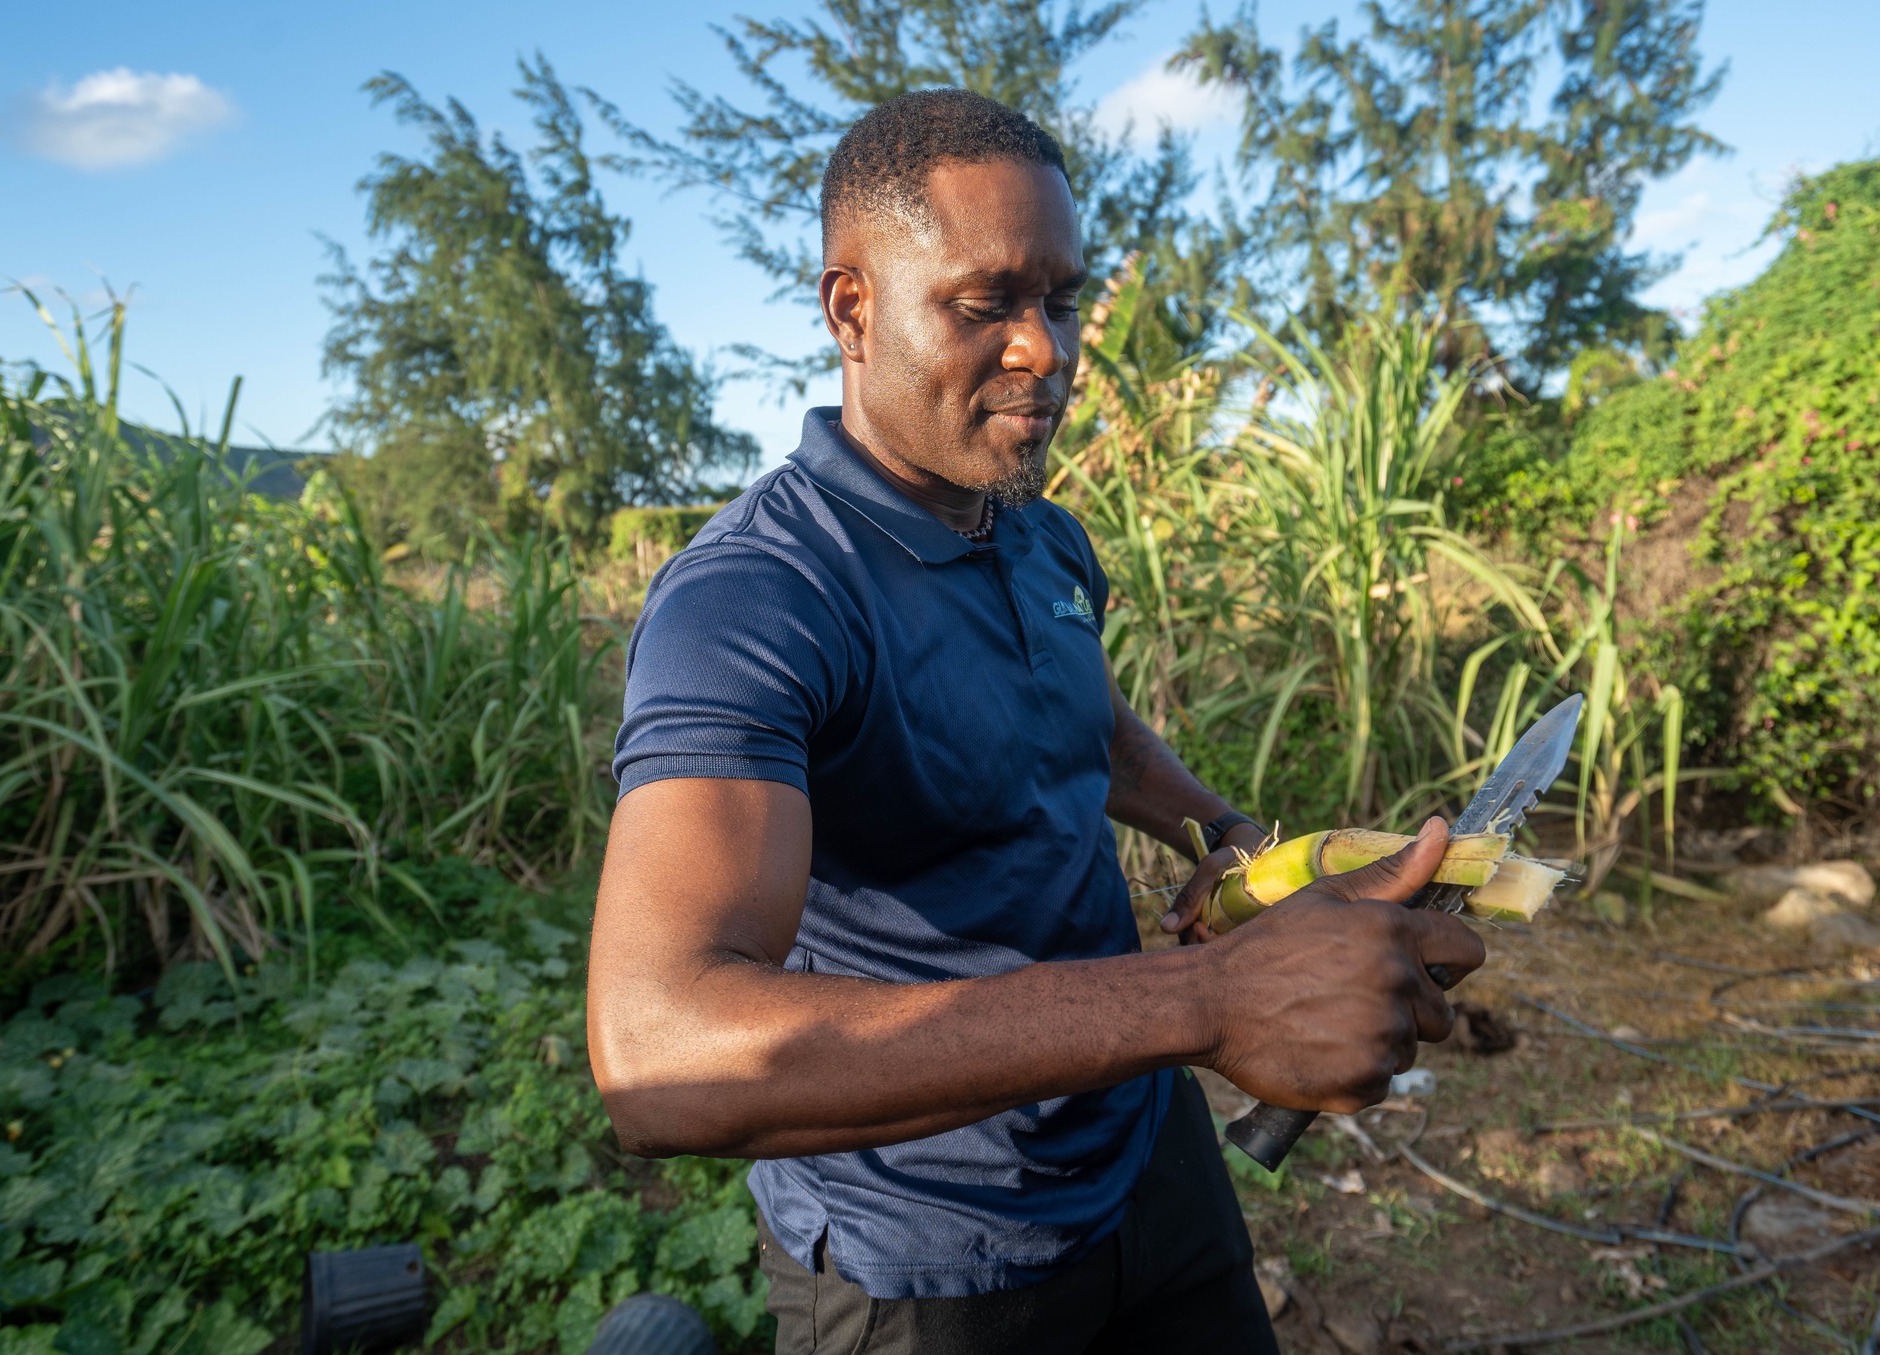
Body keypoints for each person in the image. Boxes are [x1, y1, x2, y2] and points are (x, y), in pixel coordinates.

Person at [588, 88, 1486, 1354]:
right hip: (930, 1248)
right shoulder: (756, 598)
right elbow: (656, 1048)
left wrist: (1229, 843)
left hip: (1144, 1153)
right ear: (850, 308)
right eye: (985, 304)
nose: (1046, 350)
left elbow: (1093, 731)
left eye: (1060, 301)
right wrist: (1208, 1001)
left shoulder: (1038, 532)